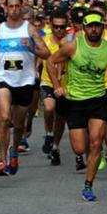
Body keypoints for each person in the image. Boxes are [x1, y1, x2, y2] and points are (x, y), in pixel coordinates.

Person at [47, 11, 107, 201]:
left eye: (98, 26)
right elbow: (51, 61)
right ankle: (90, 154)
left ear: (103, 28)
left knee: (96, 142)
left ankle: (88, 185)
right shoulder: (72, 47)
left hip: (98, 100)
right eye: (90, 26)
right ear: (84, 28)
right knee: (79, 148)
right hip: (75, 101)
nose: (94, 29)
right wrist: (56, 86)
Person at [0, 0, 50, 176]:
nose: (13, 10)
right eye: (10, 6)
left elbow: (47, 53)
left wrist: (31, 47)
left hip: (24, 80)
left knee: (19, 124)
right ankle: (2, 160)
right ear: (6, 7)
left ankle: (14, 150)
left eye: (16, 6)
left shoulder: (29, 29)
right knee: (3, 117)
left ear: (21, 7)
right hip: (4, 78)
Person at [40, 10, 70, 166]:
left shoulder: (70, 43)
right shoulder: (44, 41)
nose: (59, 30)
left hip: (66, 85)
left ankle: (55, 147)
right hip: (48, 81)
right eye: (56, 26)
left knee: (60, 118)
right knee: (49, 107)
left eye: (62, 27)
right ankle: (48, 134)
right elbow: (37, 58)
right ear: (50, 25)